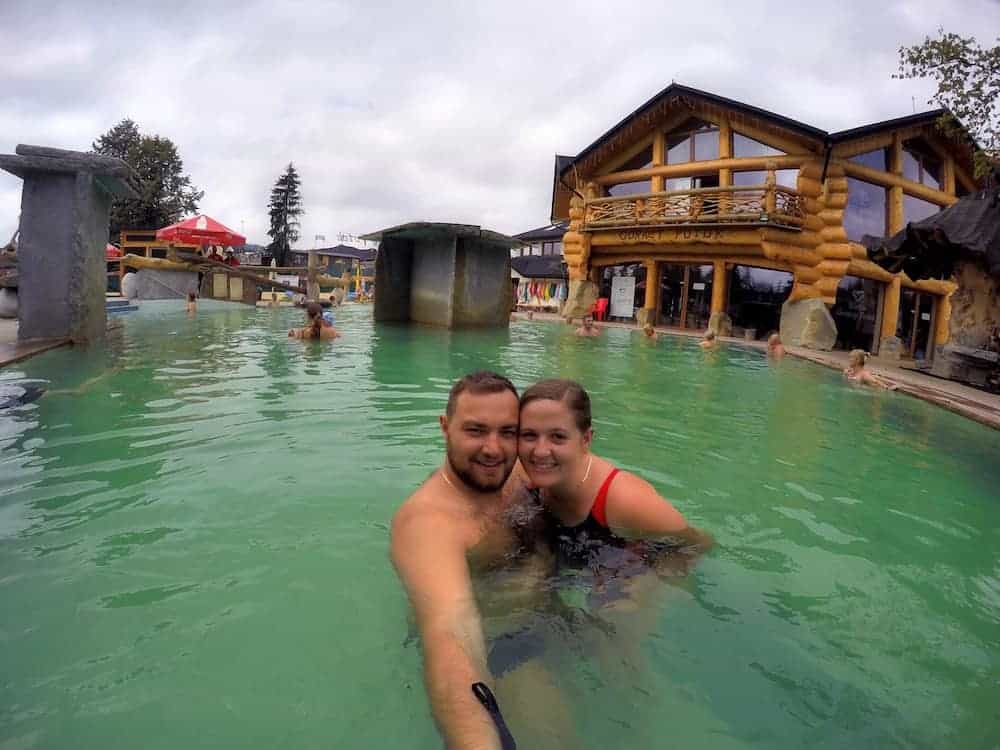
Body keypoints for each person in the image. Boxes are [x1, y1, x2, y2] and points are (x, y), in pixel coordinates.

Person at [391, 372, 537, 749]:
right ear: (445, 427)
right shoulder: (428, 522)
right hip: (501, 650)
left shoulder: (520, 475)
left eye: (508, 432)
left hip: (558, 615)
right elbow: (451, 635)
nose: (493, 448)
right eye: (476, 430)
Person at [517, 379, 713, 559]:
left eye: (558, 437)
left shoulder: (626, 499)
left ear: (586, 439)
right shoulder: (524, 472)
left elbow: (697, 543)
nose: (540, 452)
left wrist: (645, 583)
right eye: (529, 435)